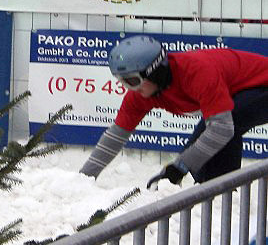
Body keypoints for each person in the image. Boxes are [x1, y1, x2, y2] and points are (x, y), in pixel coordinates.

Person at [80, 35, 268, 187]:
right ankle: (214, 191)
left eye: (132, 81)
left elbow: (222, 129)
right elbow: (116, 136)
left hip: (263, 86)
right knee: (200, 154)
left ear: (155, 72)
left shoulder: (197, 73)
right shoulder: (142, 93)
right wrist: (82, 180)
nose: (130, 88)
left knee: (222, 127)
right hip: (241, 93)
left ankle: (220, 194)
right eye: (121, 81)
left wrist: (180, 166)